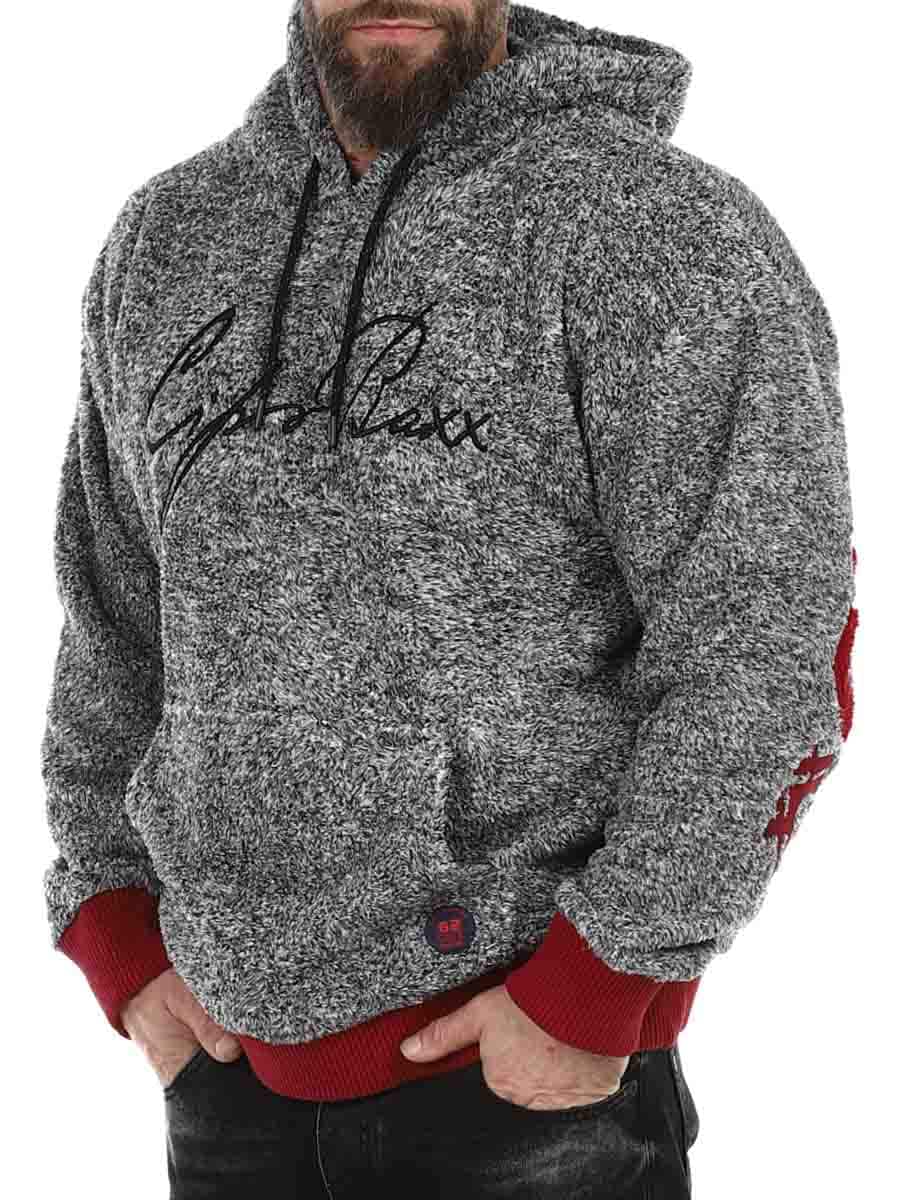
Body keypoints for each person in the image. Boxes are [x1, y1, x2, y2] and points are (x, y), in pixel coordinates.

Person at [40, 1, 859, 1196]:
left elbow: (768, 636)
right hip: (224, 1086)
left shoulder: (657, 231)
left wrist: (604, 981)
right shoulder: (168, 237)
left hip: (530, 1091)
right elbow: (111, 614)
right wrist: (110, 917)